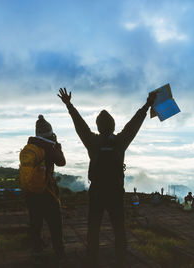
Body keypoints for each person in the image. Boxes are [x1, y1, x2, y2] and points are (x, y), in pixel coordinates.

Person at [58, 88, 156, 267]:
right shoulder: (120, 142)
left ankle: (92, 258)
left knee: (93, 227)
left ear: (98, 127)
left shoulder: (92, 142)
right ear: (113, 126)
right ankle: (121, 258)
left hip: (96, 191)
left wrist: (69, 105)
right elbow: (134, 125)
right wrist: (148, 104)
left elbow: (80, 126)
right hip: (116, 191)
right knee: (119, 227)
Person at [24, 115, 66, 266]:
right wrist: (58, 147)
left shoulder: (31, 146)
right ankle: (59, 253)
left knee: (35, 222)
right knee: (55, 224)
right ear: (50, 133)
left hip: (30, 192)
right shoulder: (49, 148)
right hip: (47, 193)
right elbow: (62, 162)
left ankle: (36, 250)